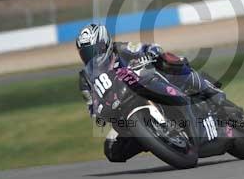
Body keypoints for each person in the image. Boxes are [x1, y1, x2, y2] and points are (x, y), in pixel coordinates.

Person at [76, 23, 224, 163]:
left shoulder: (121, 48)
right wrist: (99, 113)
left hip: (147, 83)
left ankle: (208, 89)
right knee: (112, 150)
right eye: (86, 54)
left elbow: (148, 47)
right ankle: (153, 139)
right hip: (122, 109)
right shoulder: (85, 79)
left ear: (105, 44)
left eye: (94, 50)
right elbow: (92, 107)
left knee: (168, 61)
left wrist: (151, 53)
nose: (92, 56)